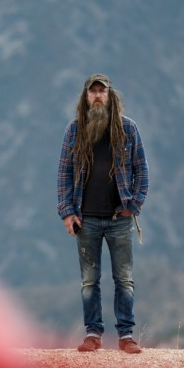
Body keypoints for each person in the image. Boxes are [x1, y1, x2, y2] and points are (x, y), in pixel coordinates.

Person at [56, 73, 149, 353]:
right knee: (89, 281)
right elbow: (64, 173)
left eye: (102, 91)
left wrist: (133, 206)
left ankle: (126, 336)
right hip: (87, 219)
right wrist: (67, 213)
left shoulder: (128, 130)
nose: (97, 95)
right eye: (92, 91)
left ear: (111, 96)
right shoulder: (75, 131)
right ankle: (93, 335)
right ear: (86, 98)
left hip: (118, 219)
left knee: (124, 279)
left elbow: (141, 170)